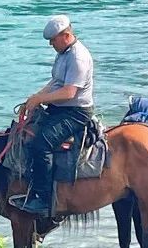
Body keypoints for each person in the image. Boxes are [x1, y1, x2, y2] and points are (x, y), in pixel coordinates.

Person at [8, 14, 95, 216]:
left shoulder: (78, 57)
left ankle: (45, 200)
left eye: (52, 40)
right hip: (61, 108)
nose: (50, 45)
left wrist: (40, 100)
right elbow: (55, 82)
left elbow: (69, 93)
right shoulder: (64, 52)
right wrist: (35, 97)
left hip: (75, 112)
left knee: (41, 144)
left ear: (65, 35)